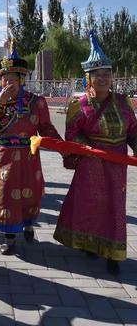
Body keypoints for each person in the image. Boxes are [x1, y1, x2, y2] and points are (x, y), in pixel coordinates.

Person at [54, 31, 137, 275]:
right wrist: (86, 149)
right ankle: (89, 244)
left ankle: (113, 253)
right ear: (88, 79)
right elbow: (73, 133)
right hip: (91, 162)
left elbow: (133, 130)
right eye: (97, 75)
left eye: (107, 74)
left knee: (114, 204)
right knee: (91, 204)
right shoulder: (80, 105)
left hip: (117, 162)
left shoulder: (123, 102)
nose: (103, 78)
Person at [0, 41, 61, 255]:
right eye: (5, 79)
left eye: (13, 79)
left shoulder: (37, 102)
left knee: (29, 193)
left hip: (28, 156)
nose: (8, 83)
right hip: (3, 156)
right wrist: (0, 101)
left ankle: (28, 225)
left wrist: (64, 147)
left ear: (22, 80)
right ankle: (9, 237)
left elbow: (46, 128)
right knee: (5, 195)